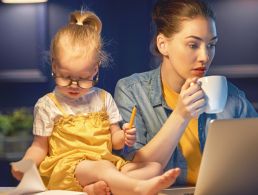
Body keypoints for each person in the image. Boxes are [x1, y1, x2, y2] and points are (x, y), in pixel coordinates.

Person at [11, 10, 180, 195]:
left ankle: (94, 189)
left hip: (106, 163)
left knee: (153, 168)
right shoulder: (47, 105)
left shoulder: (103, 99)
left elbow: (115, 142)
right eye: (65, 77)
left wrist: (124, 137)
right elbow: (38, 146)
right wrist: (25, 165)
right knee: (101, 169)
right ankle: (136, 188)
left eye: (83, 78)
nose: (74, 85)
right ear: (54, 66)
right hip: (68, 168)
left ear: (95, 70)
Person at [114, 0, 258, 186]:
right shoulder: (132, 91)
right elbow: (133, 173)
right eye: (193, 45)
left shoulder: (232, 97)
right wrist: (181, 115)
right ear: (162, 44)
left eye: (211, 45)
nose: (205, 57)